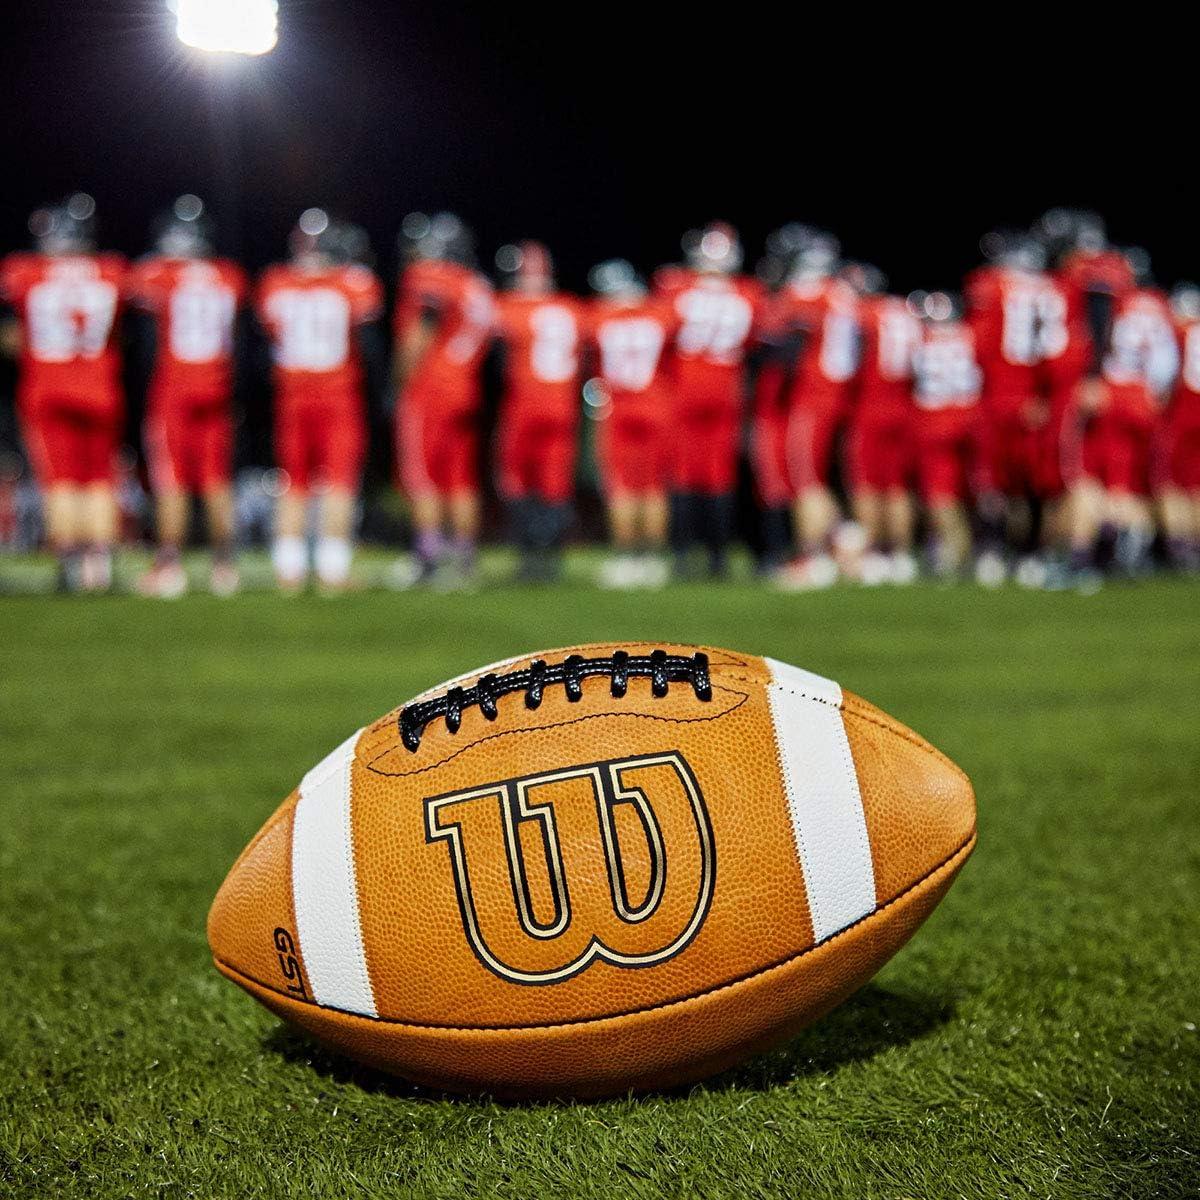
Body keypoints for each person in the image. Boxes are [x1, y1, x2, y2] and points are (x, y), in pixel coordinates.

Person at [0, 194, 126, 592]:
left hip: (48, 390)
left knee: (62, 481)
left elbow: (12, 338)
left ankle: (72, 566)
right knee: (101, 479)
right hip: (100, 388)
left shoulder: (25, 271)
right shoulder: (110, 271)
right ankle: (99, 567)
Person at [256, 209, 384, 592]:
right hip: (338, 393)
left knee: (293, 481)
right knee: (339, 481)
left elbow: (267, 344)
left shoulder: (275, 283)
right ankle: (332, 571)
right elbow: (368, 347)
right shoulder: (353, 283)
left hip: (292, 394)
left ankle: (289, 571)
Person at [126, 196, 246, 597]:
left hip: (174, 389)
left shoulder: (157, 274)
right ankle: (225, 567)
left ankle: (169, 567)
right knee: (217, 481)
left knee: (172, 481)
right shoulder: (226, 275)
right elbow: (240, 342)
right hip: (217, 387)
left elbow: (143, 343)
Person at [654, 221, 764, 576]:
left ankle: (684, 554)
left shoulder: (676, 287)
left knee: (685, 473)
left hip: (686, 387)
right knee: (719, 475)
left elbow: (664, 334)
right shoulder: (748, 292)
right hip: (726, 389)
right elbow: (753, 344)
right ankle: (718, 556)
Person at [393, 212, 494, 587]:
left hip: (431, 389)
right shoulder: (477, 285)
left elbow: (421, 330)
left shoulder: (432, 279)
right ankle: (464, 558)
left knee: (423, 478)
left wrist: (401, 378)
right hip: (466, 389)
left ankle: (428, 558)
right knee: (460, 480)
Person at [965, 228, 1067, 585]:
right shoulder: (1051, 289)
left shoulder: (990, 284)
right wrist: (1043, 392)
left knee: (992, 480)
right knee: (1031, 483)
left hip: (997, 395)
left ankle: (993, 552)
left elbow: (976, 344)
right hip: (1034, 395)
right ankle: (1031, 555)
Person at [762, 233, 860, 589]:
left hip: (812, 396)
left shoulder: (807, 293)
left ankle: (813, 558)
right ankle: (849, 540)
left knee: (805, 480)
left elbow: (786, 342)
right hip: (838, 395)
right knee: (817, 477)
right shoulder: (842, 292)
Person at [492, 241, 582, 580]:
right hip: (562, 407)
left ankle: (529, 556)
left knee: (518, 480)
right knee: (555, 482)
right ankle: (551, 560)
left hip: (524, 406)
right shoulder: (571, 308)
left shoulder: (508, 306)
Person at [587, 259, 678, 588]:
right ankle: (653, 561)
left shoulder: (598, 316)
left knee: (622, 488)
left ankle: (627, 561)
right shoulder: (660, 314)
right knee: (654, 488)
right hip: (657, 406)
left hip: (618, 407)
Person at [842, 263, 922, 584]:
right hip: (904, 406)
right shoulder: (908, 312)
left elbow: (849, 361)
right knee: (897, 486)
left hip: (870, 406)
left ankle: (873, 554)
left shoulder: (863, 315)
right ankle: (900, 556)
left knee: (866, 484)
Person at [911, 291, 985, 577]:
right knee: (976, 490)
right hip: (970, 417)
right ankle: (986, 550)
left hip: (934, 420)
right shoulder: (973, 334)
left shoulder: (920, 337)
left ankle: (953, 552)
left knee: (940, 494)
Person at [1160, 283, 1200, 570]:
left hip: (1181, 414)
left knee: (1171, 483)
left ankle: (1180, 547)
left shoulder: (1178, 330)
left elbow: (1165, 371)